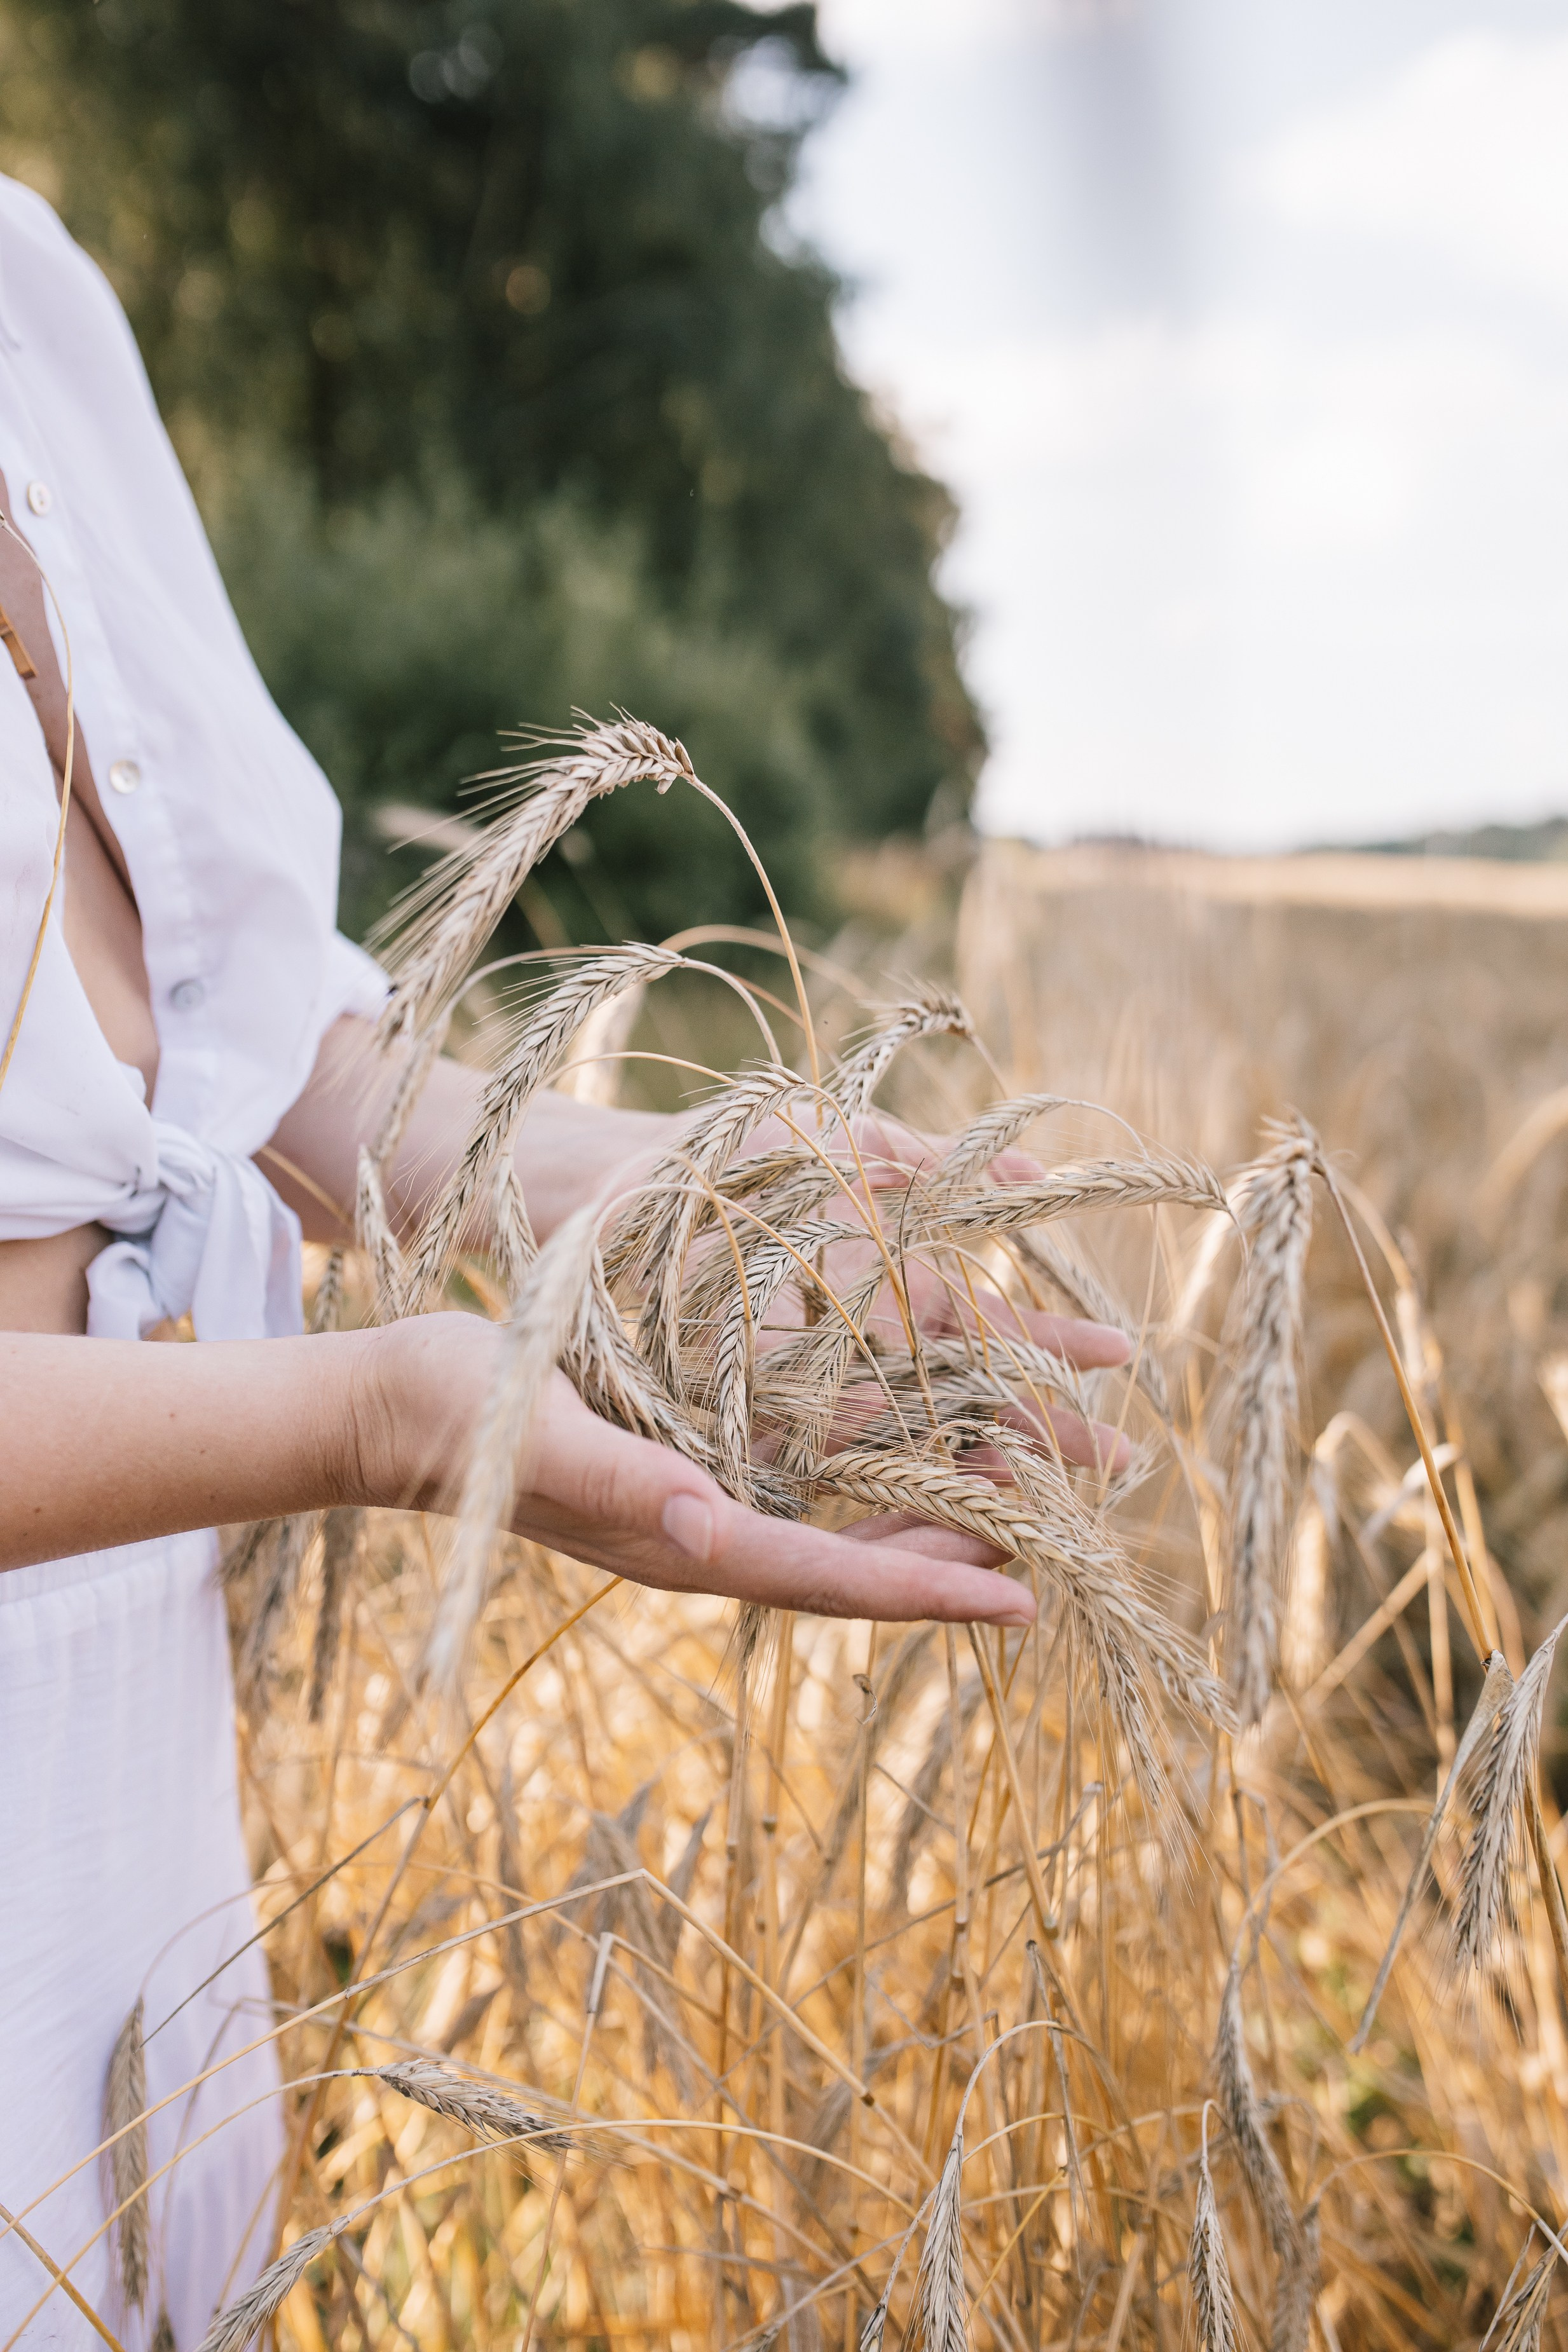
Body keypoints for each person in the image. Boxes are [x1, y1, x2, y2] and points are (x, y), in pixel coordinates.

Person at [0, 174, 1129, 2346]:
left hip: (135, 1884)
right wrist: (378, 1410)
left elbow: (265, 1064)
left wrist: (665, 1206)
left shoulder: (32, 289)